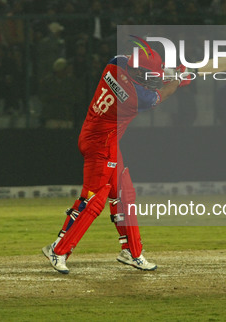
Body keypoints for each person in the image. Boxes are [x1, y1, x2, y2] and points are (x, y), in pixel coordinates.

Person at [42, 48, 189, 274]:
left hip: (99, 138)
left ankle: (132, 251)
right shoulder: (135, 97)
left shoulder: (116, 63)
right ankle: (59, 250)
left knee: (124, 194)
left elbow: (148, 77)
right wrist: (177, 81)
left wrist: (171, 73)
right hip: (101, 145)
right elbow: (158, 94)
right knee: (94, 201)